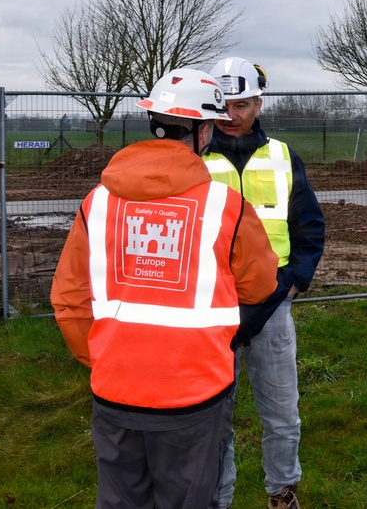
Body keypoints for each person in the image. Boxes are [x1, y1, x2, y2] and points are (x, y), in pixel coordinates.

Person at [50, 68, 279, 509]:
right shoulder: (225, 206)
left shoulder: (97, 201)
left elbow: (70, 299)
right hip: (193, 396)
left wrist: (104, 358)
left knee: (119, 500)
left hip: (114, 389)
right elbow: (260, 285)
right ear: (203, 130)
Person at [204, 56, 325, 509]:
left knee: (282, 414)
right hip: (211, 307)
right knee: (215, 417)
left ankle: (282, 491)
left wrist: (295, 281)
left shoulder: (281, 155)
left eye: (241, 104)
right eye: (224, 106)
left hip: (273, 304)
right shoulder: (193, 156)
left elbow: (310, 226)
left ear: (258, 102)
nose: (232, 116)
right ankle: (217, 498)